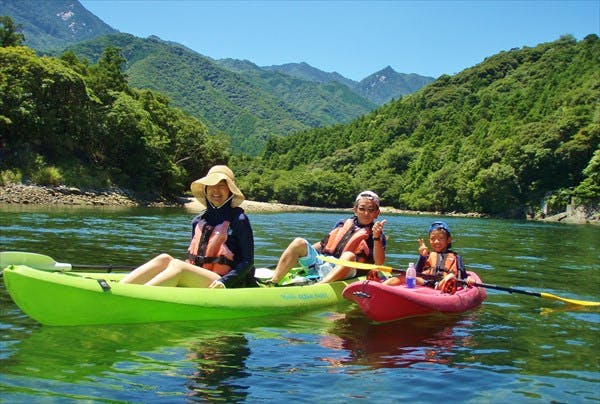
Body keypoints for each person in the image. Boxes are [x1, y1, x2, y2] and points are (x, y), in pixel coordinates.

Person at [120, 165, 256, 288]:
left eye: (222, 186)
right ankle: (121, 288)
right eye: (211, 185)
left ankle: (140, 296)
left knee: (178, 266)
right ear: (206, 189)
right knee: (164, 258)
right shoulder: (199, 220)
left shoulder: (239, 219)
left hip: (222, 281)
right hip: (200, 275)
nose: (216, 190)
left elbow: (247, 261)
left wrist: (225, 281)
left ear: (230, 191)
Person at [267, 191, 387, 284]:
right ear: (355, 210)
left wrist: (376, 237)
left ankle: (321, 286)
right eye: (362, 209)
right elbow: (323, 244)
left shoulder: (376, 233)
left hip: (347, 271)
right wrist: (299, 255)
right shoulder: (342, 223)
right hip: (324, 263)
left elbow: (379, 262)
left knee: (348, 255)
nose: (366, 213)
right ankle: (274, 281)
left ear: (377, 213)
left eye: (371, 210)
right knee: (299, 242)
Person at [383, 221, 474, 292]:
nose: (436, 242)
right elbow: (416, 272)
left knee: (450, 276)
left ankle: (442, 288)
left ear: (448, 240)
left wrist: (468, 279)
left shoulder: (456, 257)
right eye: (433, 239)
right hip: (426, 282)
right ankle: (381, 287)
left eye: (441, 238)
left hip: (443, 283)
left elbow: (463, 276)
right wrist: (422, 256)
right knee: (403, 276)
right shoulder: (427, 255)